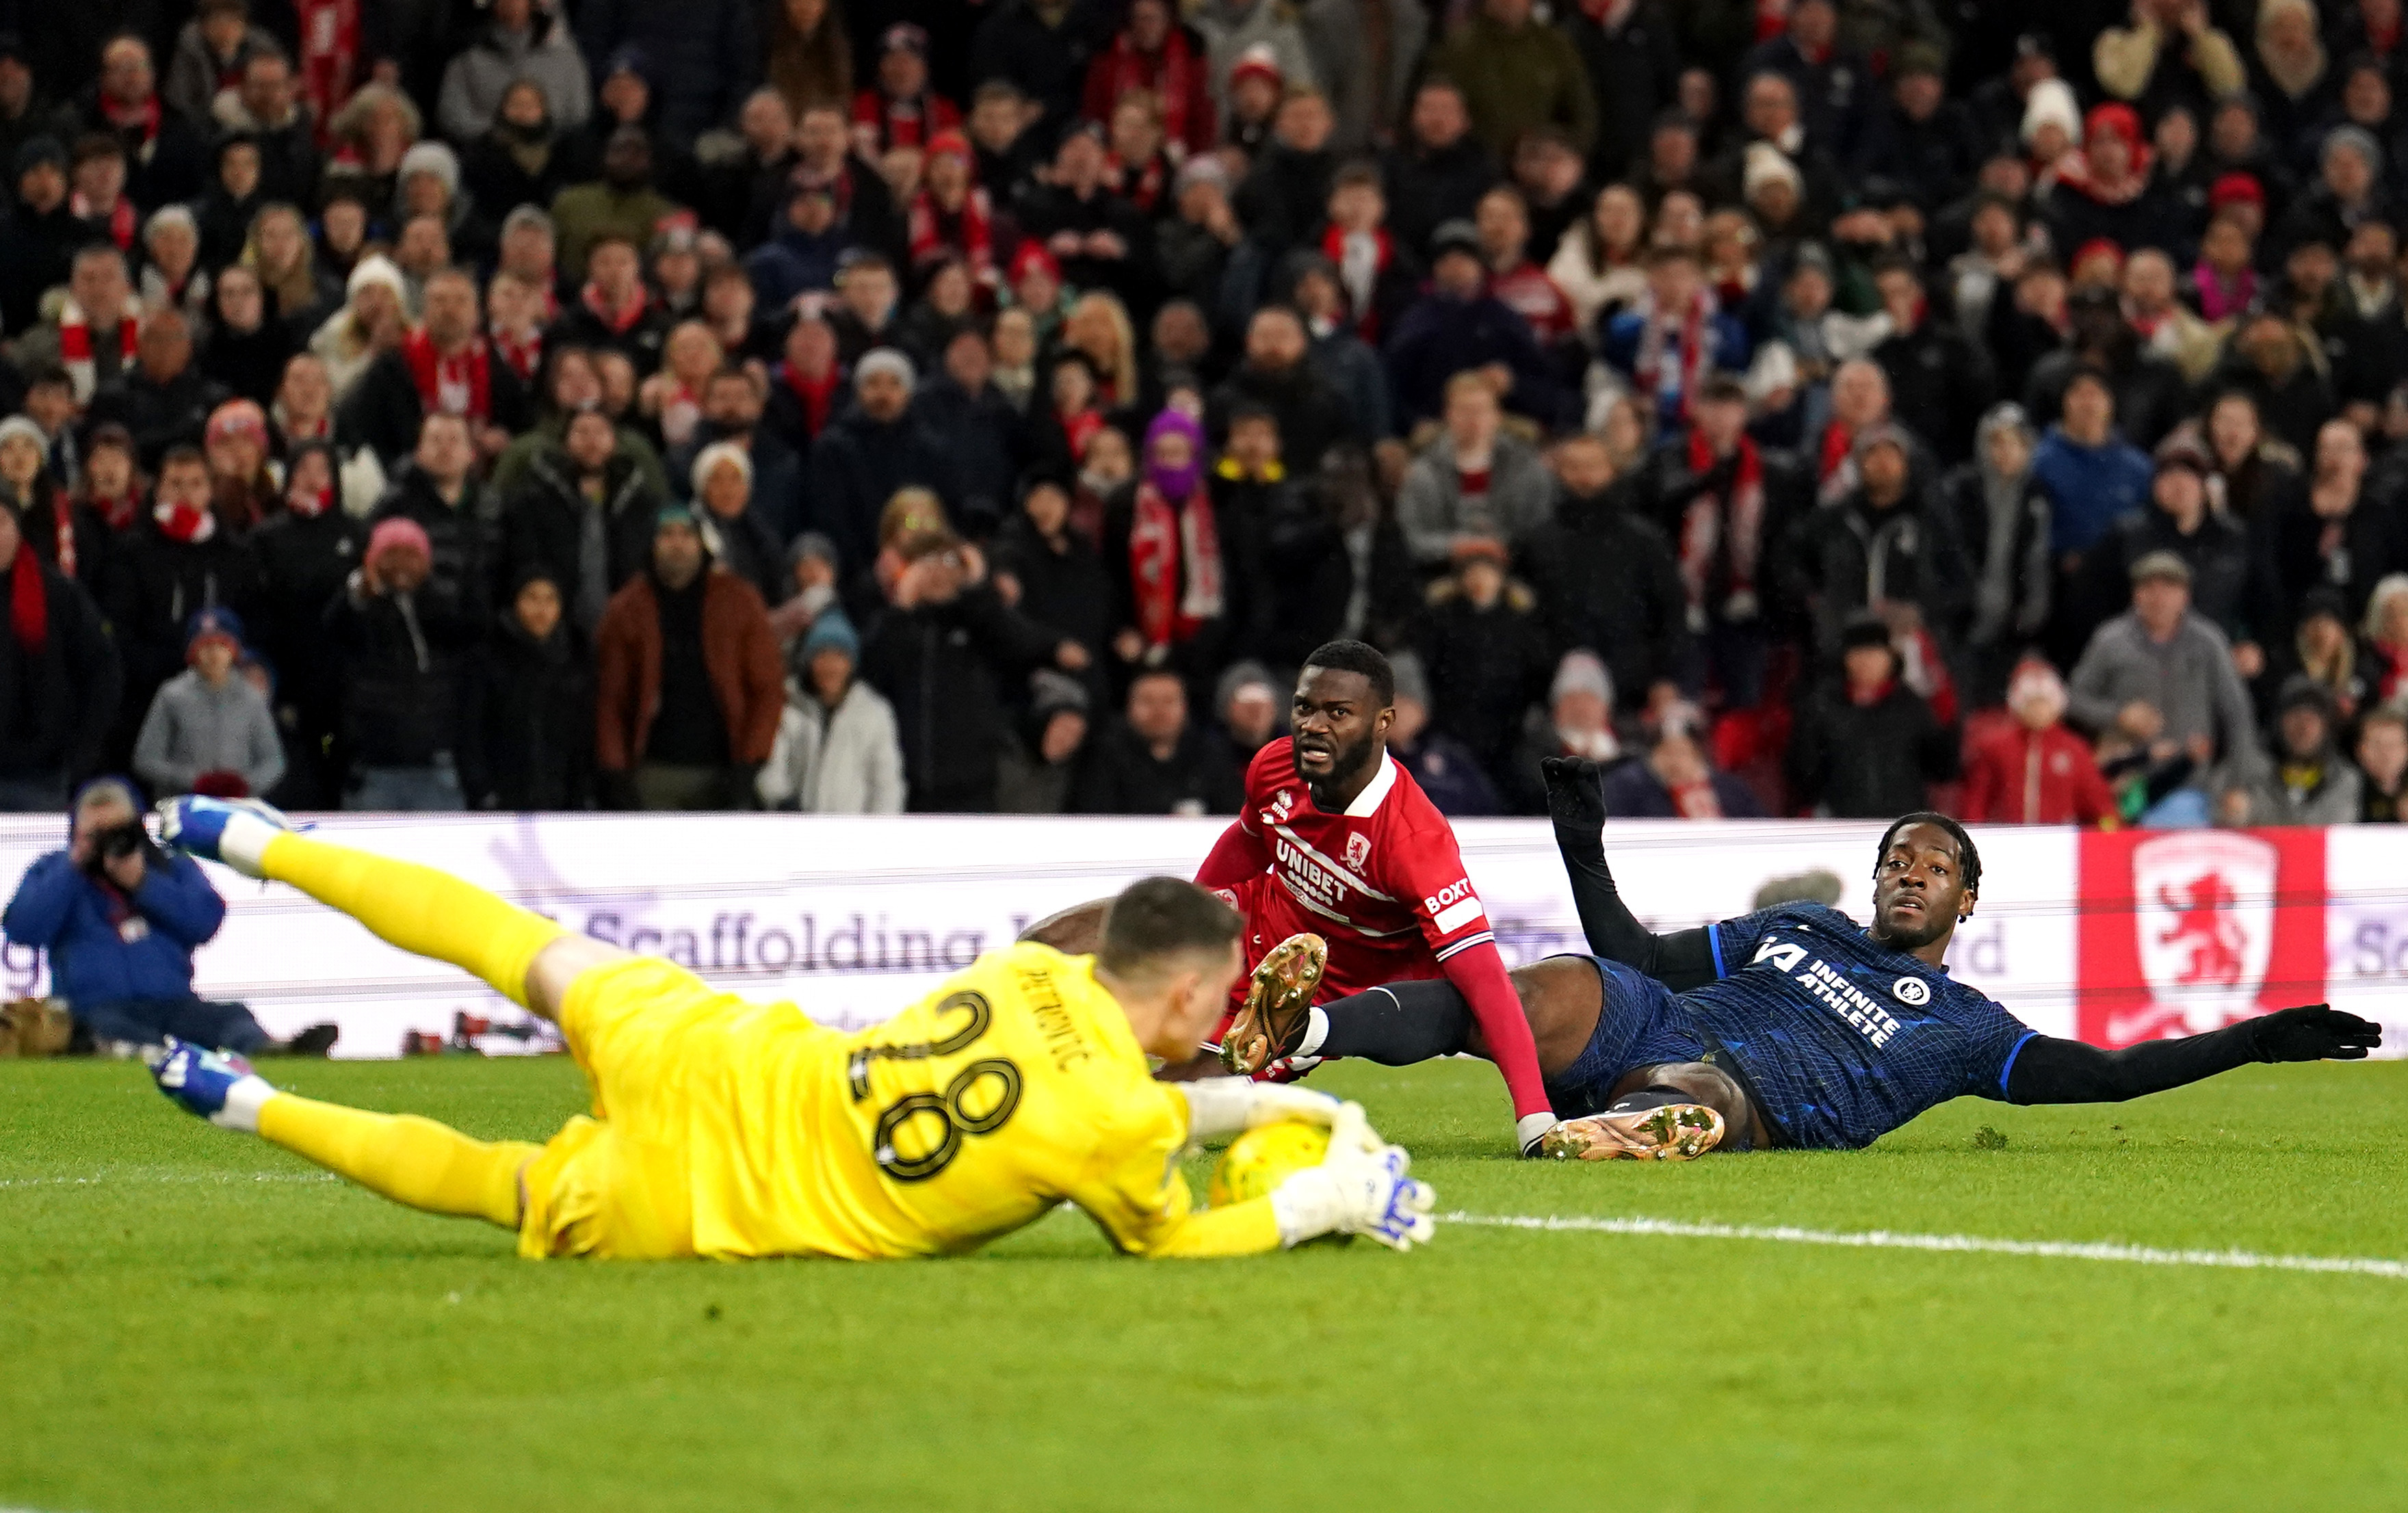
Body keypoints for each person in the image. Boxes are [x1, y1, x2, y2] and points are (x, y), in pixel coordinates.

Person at [152, 805, 1432, 1259]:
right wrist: (1327, 1195)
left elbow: (1151, 1092)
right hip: (707, 1197)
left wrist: (1287, 1106)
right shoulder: (1115, 1123)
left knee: (511, 943)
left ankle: (256, 839)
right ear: (1171, 998)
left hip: (719, 1055)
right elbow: (1180, 1235)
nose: (1215, 1027)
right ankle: (241, 1096)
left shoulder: (1017, 970)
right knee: (501, 1185)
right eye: (1210, 1006)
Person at [1252, 776, 2377, 1160]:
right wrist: (1584, 844)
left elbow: (2111, 1075)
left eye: (1933, 865)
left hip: (1753, 1097)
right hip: (1654, 1018)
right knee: (1534, 986)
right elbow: (1639, 954)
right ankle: (1305, 1035)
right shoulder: (1800, 924)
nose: (1906, 873)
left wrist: (2260, 1034)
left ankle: (1625, 1130)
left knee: (1696, 1101)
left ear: (1966, 901)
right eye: (1895, 857)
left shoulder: (1973, 1029)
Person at [1191, 640, 1563, 1155]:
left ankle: (1277, 1066)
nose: (1313, 725)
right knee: (1087, 943)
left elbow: (1486, 984)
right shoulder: (1276, 764)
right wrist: (1187, 920)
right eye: (1305, 707)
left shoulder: (1413, 842)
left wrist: (1535, 1121)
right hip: (1242, 941)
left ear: (1383, 722)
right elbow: (1248, 841)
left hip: (1295, 1004)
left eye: (1338, 713)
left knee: (1171, 1104)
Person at [3, 778, 334, 1056]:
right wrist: (74, 865)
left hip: (175, 1004)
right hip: (96, 1008)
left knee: (231, 1018)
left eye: (117, 830)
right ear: (75, 831)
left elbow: (206, 921)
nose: (106, 842)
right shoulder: (54, 870)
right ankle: (152, 1055)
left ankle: (275, 1052)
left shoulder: (168, 867)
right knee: (108, 1031)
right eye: (95, 833)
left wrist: (143, 884)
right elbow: (23, 929)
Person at [593, 508, 783, 812]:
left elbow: (767, 688)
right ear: (652, 544)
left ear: (702, 544)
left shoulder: (740, 601)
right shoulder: (625, 610)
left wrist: (750, 763)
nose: (677, 543)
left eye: (686, 535)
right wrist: (615, 771)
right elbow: (610, 698)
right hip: (652, 771)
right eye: (667, 535)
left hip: (724, 771)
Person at [2067, 551, 2268, 813]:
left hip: (2192, 789)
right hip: (2125, 789)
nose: (2158, 597)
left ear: (2185, 596)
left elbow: (2237, 715)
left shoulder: (2208, 642)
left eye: (2169, 588)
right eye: (2149, 587)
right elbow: (2073, 699)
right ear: (2135, 594)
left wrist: (2238, 783)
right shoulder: (2110, 641)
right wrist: (2118, 715)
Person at [328, 517, 473, 812]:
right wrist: (361, 591)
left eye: (412, 555)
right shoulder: (360, 611)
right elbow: (335, 627)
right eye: (391, 555)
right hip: (374, 768)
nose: (402, 565)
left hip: (438, 764)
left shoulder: (443, 608)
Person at [0, 499, 120, 809]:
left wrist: (79, 756)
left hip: (42, 775)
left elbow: (102, 671)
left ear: (17, 529)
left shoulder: (59, 594)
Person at [1786, 615, 1956, 818]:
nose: (1866, 661)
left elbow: (1943, 768)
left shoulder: (1911, 706)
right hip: (1839, 823)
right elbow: (1803, 775)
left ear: (1890, 658)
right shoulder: (1823, 706)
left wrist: (1944, 712)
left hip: (1901, 826)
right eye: (1858, 653)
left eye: (1874, 653)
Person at [460, 569, 595, 812]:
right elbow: (470, 732)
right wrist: (484, 793)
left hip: (561, 803)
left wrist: (579, 795)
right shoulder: (487, 659)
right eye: (532, 598)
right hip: (501, 804)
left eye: (550, 599)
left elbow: (582, 737)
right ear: (515, 602)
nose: (541, 609)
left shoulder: (575, 661)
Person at [757, 611, 906, 814]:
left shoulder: (874, 713)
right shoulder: (788, 706)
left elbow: (886, 785)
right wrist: (783, 803)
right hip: (796, 831)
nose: (830, 666)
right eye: (822, 655)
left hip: (852, 835)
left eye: (839, 655)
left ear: (851, 663)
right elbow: (770, 766)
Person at [132, 608, 284, 801]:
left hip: (239, 809)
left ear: (234, 651)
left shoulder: (251, 698)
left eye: (222, 645)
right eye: (205, 646)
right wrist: (194, 781)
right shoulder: (172, 695)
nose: (214, 654)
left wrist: (244, 785)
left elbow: (273, 761)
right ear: (192, 653)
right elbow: (146, 759)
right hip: (182, 806)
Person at [1957, 657, 2119, 826]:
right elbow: (1976, 800)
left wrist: (2110, 834)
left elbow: (2099, 802)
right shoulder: (1996, 747)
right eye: (2032, 704)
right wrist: (1973, 835)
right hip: (2006, 840)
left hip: (2059, 841)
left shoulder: (2074, 749)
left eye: (2045, 703)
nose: (2039, 711)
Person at [1075, 667, 1241, 815]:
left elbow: (1232, 816)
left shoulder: (1211, 753)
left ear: (1184, 708)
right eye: (1148, 701)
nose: (1159, 711)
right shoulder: (1104, 754)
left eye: (1168, 701)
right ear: (1129, 707)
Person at [1597, 718, 1760, 819]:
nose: (1676, 762)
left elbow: (1761, 826)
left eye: (1683, 753)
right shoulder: (1627, 786)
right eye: (1667, 752)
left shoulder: (1728, 789)